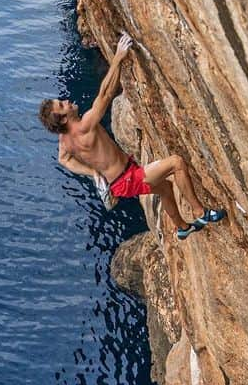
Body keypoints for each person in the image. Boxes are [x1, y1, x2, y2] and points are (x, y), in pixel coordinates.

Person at [38, 32, 226, 241]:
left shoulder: (64, 141)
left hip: (121, 181)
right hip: (127, 179)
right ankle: (200, 213)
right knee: (176, 163)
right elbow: (105, 95)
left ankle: (182, 228)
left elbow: (63, 160)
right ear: (63, 119)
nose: (66, 100)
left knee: (165, 188)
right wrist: (118, 57)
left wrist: (92, 172)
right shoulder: (84, 126)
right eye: (62, 105)